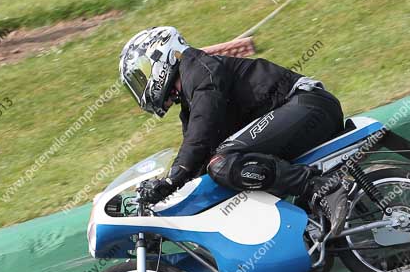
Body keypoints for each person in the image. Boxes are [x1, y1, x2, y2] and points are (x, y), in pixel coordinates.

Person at [119, 26, 349, 238]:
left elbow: (202, 130)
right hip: (299, 115)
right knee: (218, 171)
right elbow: (196, 161)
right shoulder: (189, 104)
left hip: (308, 105)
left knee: (221, 163)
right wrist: (158, 207)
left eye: (142, 76)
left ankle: (322, 187)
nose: (143, 86)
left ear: (161, 58)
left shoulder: (199, 69)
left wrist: (173, 177)